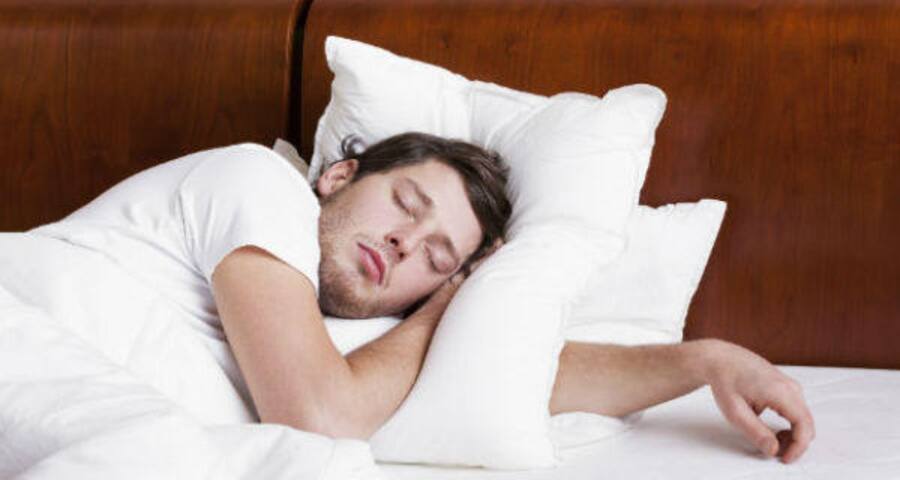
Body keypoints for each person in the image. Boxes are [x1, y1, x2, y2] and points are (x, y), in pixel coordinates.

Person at [28, 132, 815, 465]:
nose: (407, 243)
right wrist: (442, 306)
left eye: (437, 257)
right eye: (405, 204)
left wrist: (704, 361)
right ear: (340, 175)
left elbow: (510, 374)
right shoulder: (258, 184)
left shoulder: (347, 338)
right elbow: (318, 418)